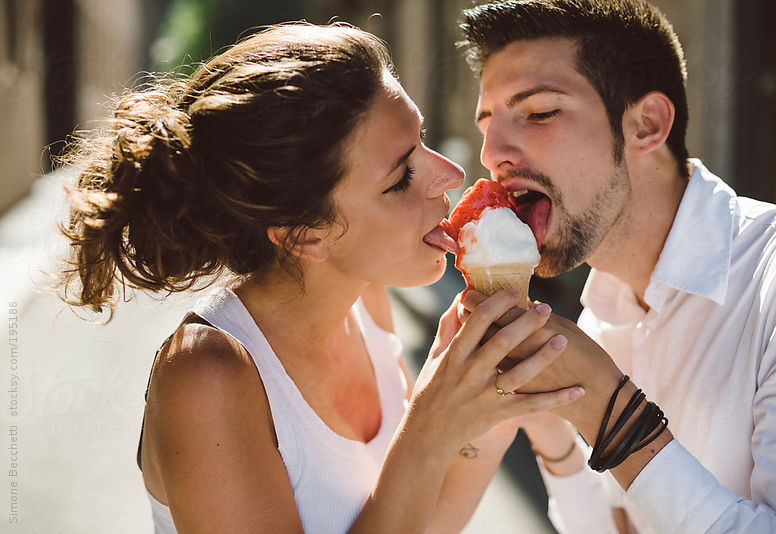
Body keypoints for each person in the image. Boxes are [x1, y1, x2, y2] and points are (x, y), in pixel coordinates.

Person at [56, 22, 585, 534]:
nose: (451, 174)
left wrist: (481, 420)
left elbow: (428, 522)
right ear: (304, 235)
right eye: (401, 177)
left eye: (422, 140)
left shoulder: (366, 301)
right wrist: (426, 433)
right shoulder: (205, 379)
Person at [456, 1, 776, 533]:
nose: (492, 154)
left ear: (646, 125)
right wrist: (553, 434)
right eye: (488, 124)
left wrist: (608, 409)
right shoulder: (599, 313)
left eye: (540, 112)